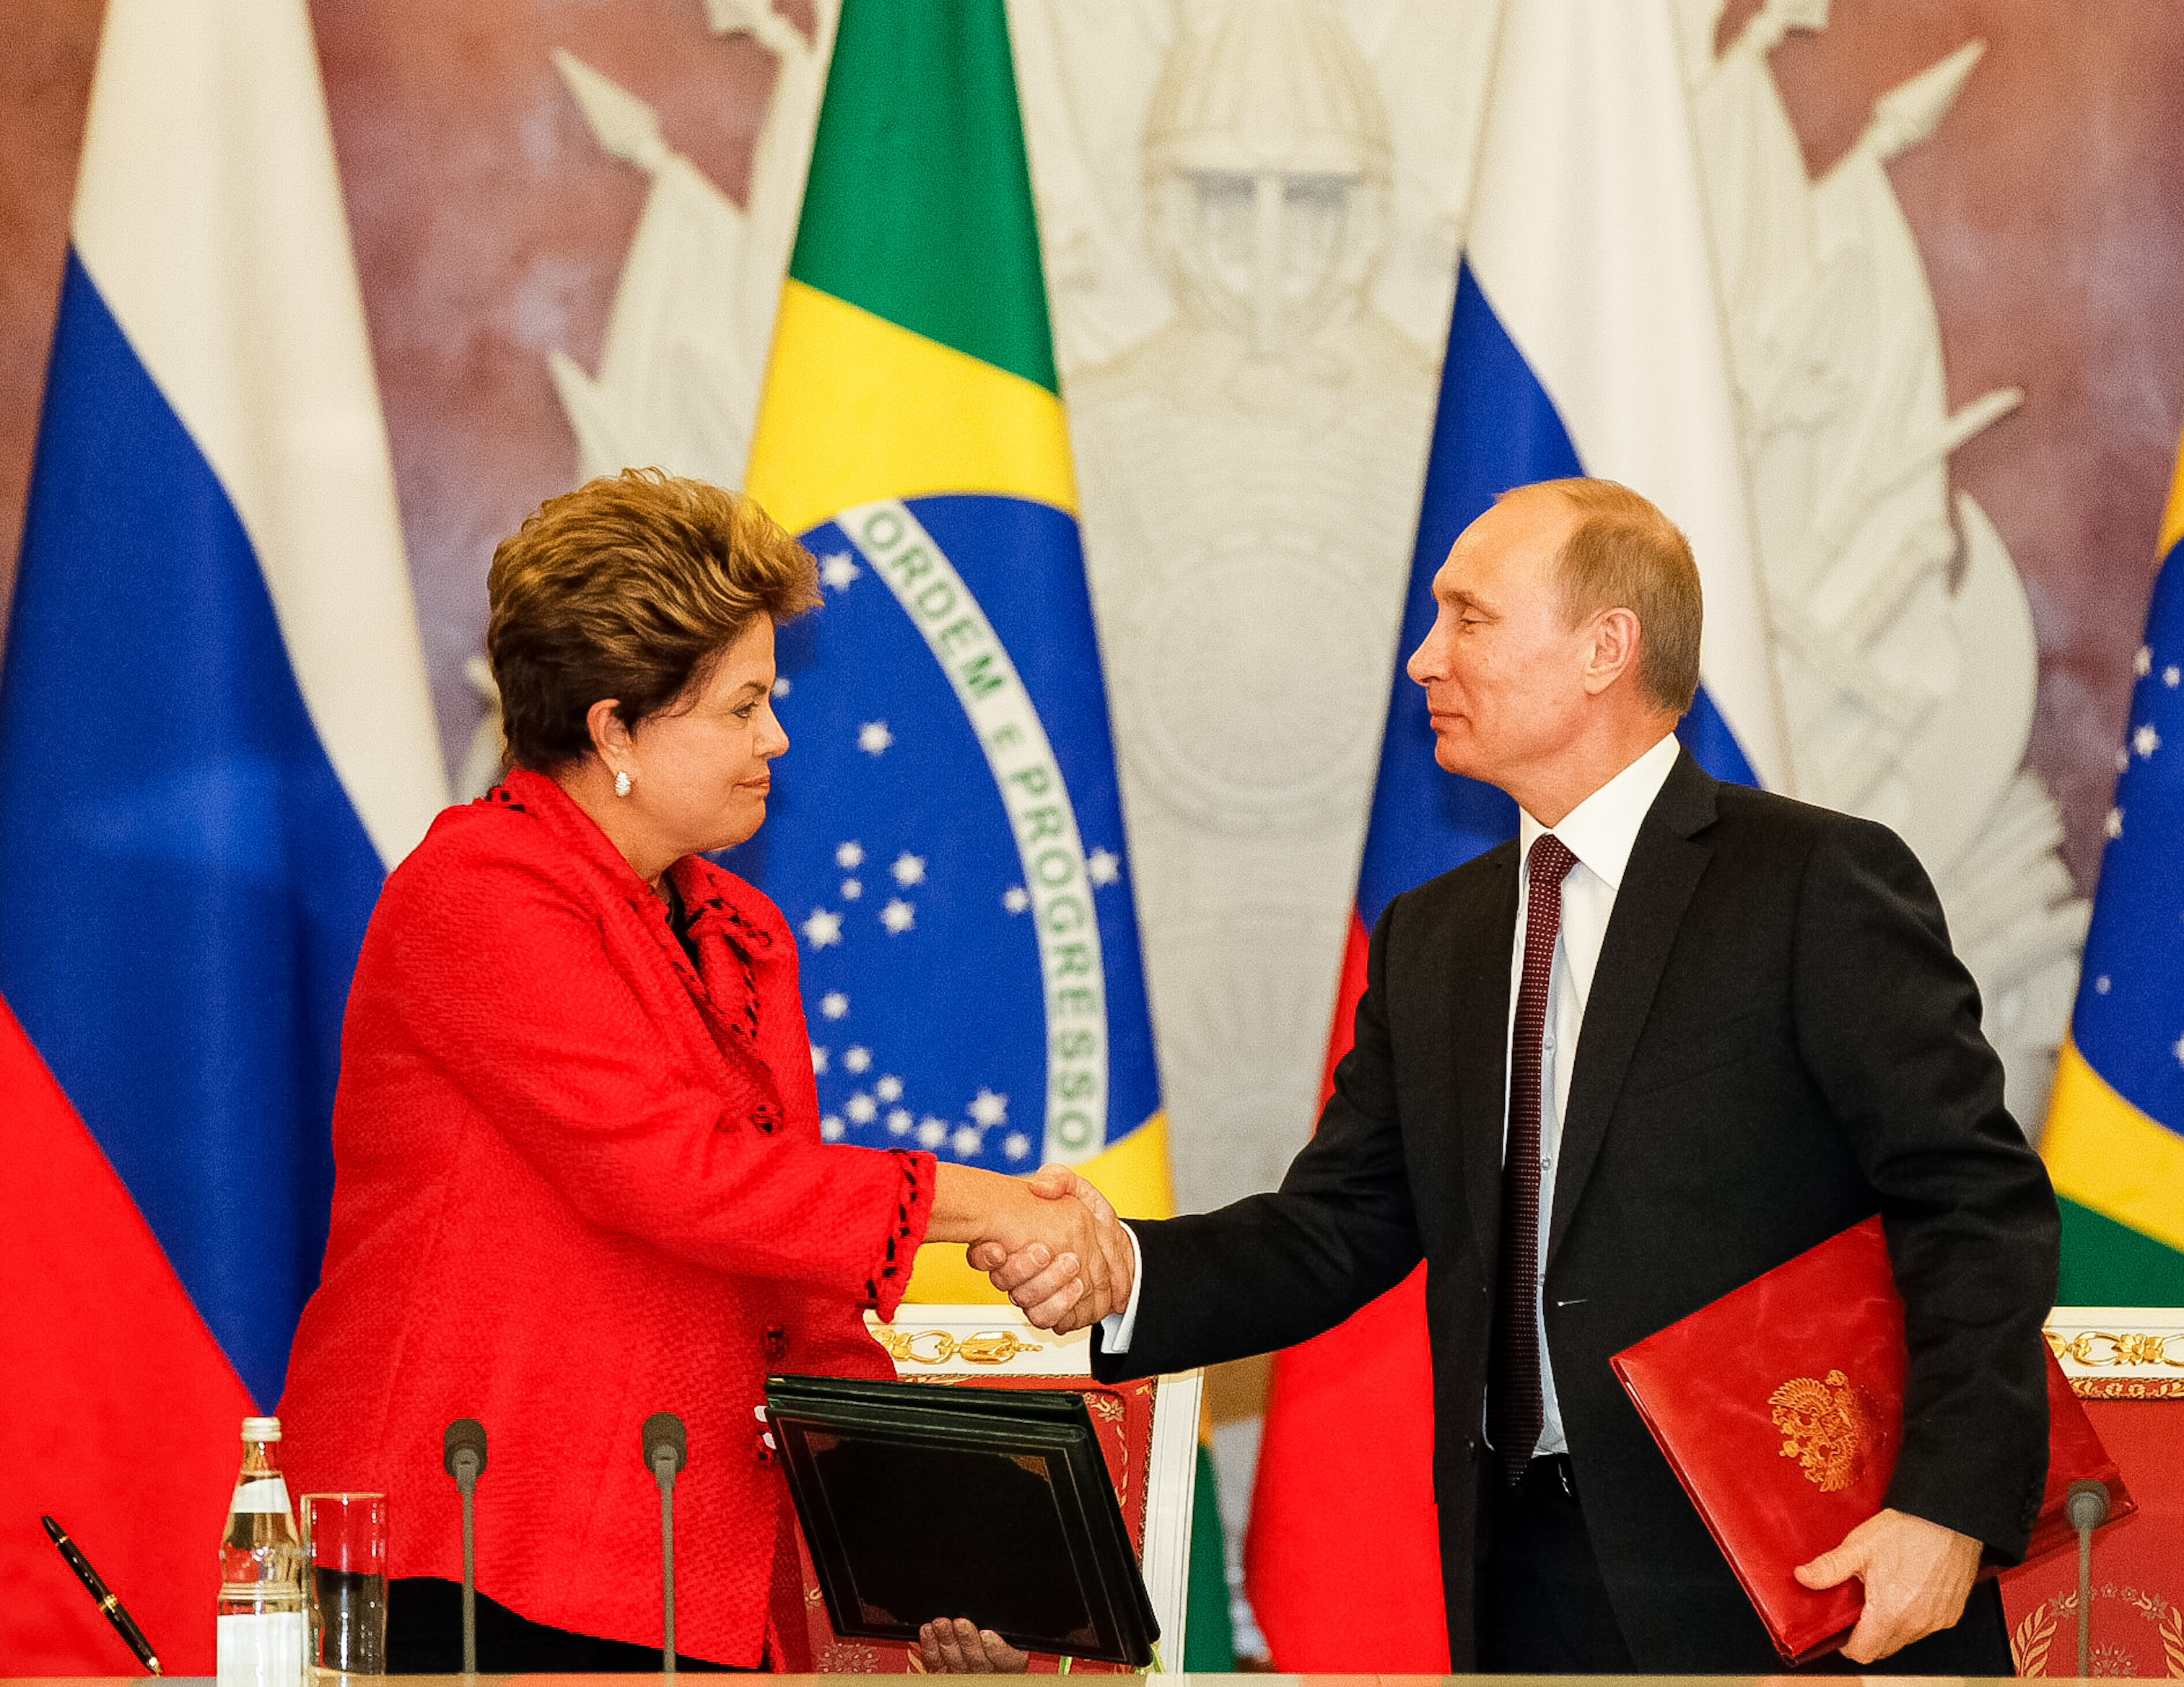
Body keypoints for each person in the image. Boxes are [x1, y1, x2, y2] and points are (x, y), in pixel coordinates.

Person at [984, 477, 2061, 1673]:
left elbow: (1971, 1204)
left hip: (1806, 1569)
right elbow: (1337, 1228)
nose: (1422, 658)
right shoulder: (1435, 934)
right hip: (1523, 1572)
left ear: (1606, 647)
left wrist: (1946, 1506)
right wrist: (1119, 1265)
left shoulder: (1811, 881)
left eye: (1468, 617)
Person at [278, 470, 1123, 1673]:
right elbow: (676, 1177)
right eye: (741, 705)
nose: (777, 735)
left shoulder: (737, 930)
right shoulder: (476, 893)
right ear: (616, 726)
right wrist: (978, 1201)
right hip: (476, 1556)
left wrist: (928, 1574)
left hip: (684, 1568)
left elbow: (804, 1291)